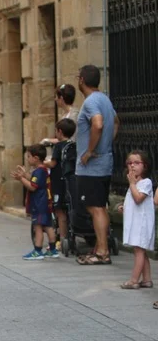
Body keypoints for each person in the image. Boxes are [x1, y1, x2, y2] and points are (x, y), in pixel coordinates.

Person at [75, 65, 119, 266]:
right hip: (104, 162)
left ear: (82, 80)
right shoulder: (105, 99)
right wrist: (106, 144)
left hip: (92, 167)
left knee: (95, 208)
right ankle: (102, 247)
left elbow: (98, 123)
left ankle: (102, 252)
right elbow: (116, 122)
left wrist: (90, 151)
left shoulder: (91, 101)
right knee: (100, 206)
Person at [116, 150, 155, 289]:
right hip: (136, 223)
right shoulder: (135, 183)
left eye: (137, 163)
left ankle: (134, 280)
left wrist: (132, 184)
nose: (132, 166)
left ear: (145, 166)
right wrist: (124, 207)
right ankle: (147, 279)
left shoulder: (146, 182)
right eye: (130, 163)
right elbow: (133, 201)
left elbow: (138, 199)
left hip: (142, 224)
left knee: (139, 251)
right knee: (140, 251)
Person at [12, 144, 58, 260]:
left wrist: (21, 179)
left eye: (29, 156)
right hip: (45, 204)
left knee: (37, 227)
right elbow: (34, 181)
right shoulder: (42, 170)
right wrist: (24, 175)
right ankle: (53, 250)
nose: (27, 159)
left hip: (39, 205)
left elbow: (32, 186)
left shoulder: (39, 171)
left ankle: (37, 251)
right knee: (48, 226)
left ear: (36, 158)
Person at [46, 118, 76, 246]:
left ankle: (63, 239)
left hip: (58, 181)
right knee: (70, 207)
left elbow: (53, 163)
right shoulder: (73, 145)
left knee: (60, 211)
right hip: (70, 181)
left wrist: (43, 163)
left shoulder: (58, 146)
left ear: (60, 131)